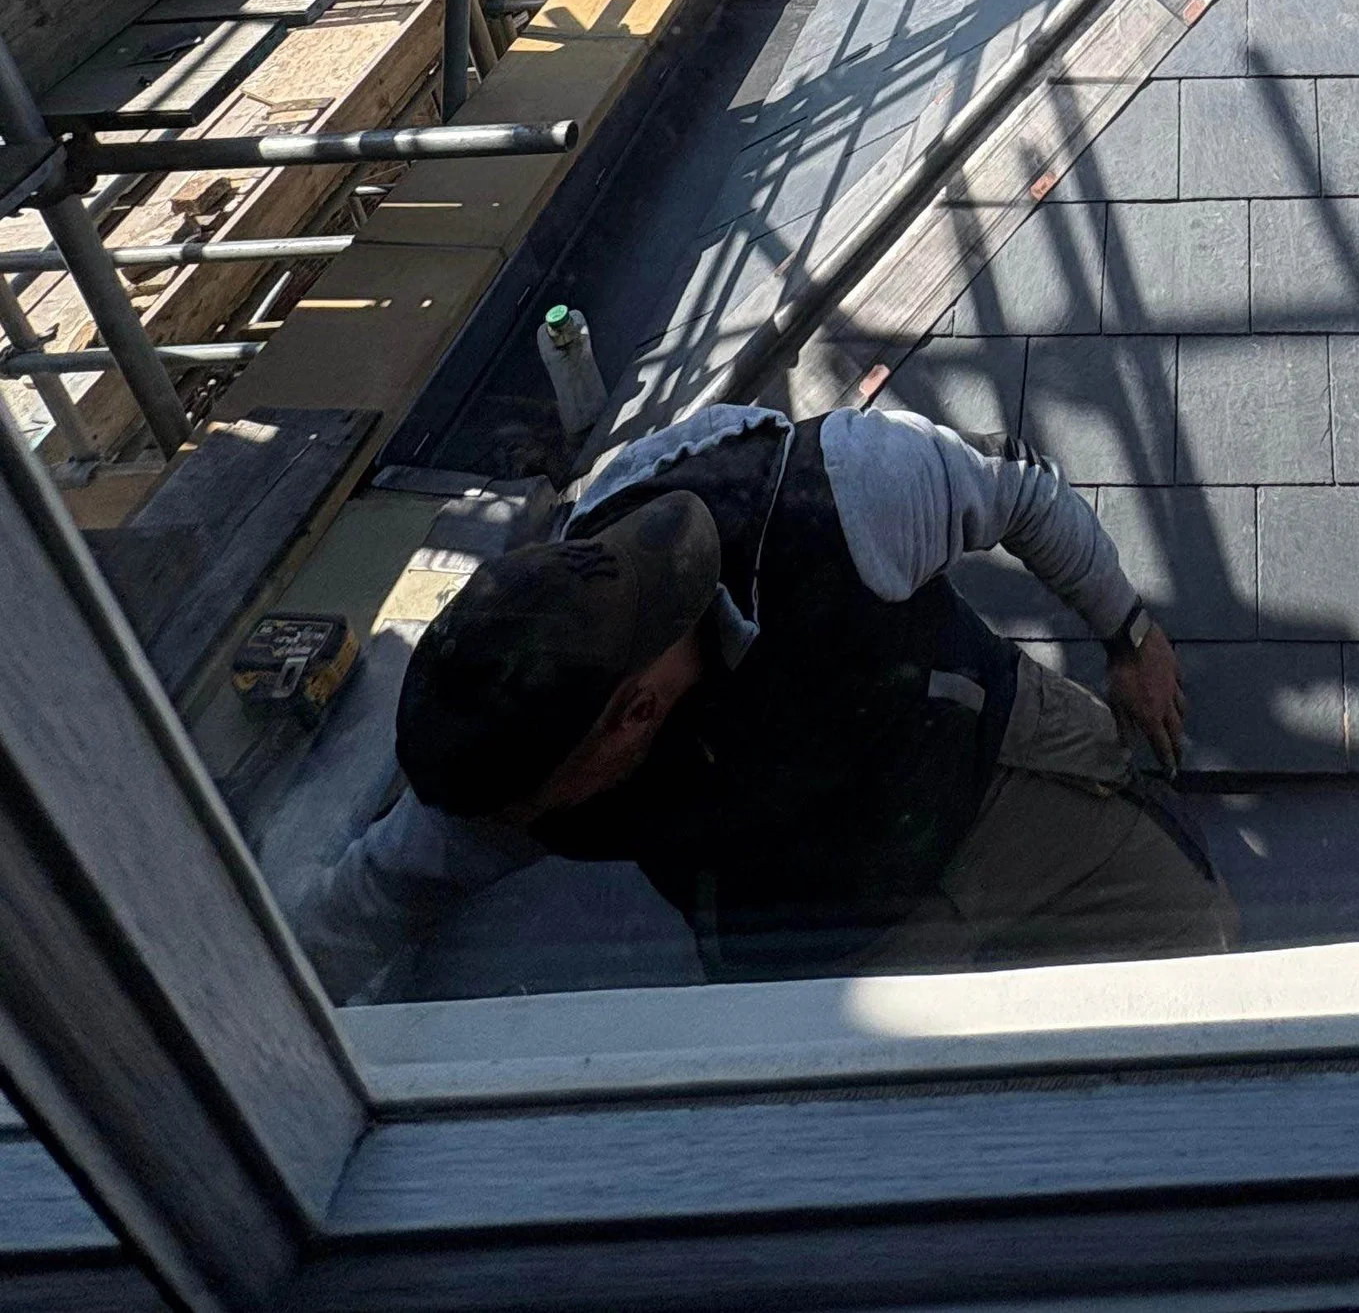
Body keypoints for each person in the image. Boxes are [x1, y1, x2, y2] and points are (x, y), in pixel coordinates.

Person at [298, 398, 1236, 998]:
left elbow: (1018, 486)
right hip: (816, 931)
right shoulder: (517, 763)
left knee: (1201, 960)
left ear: (631, 716)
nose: (524, 831)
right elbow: (376, 891)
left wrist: (1132, 637)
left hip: (986, 769)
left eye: (542, 810)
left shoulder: (844, 500)